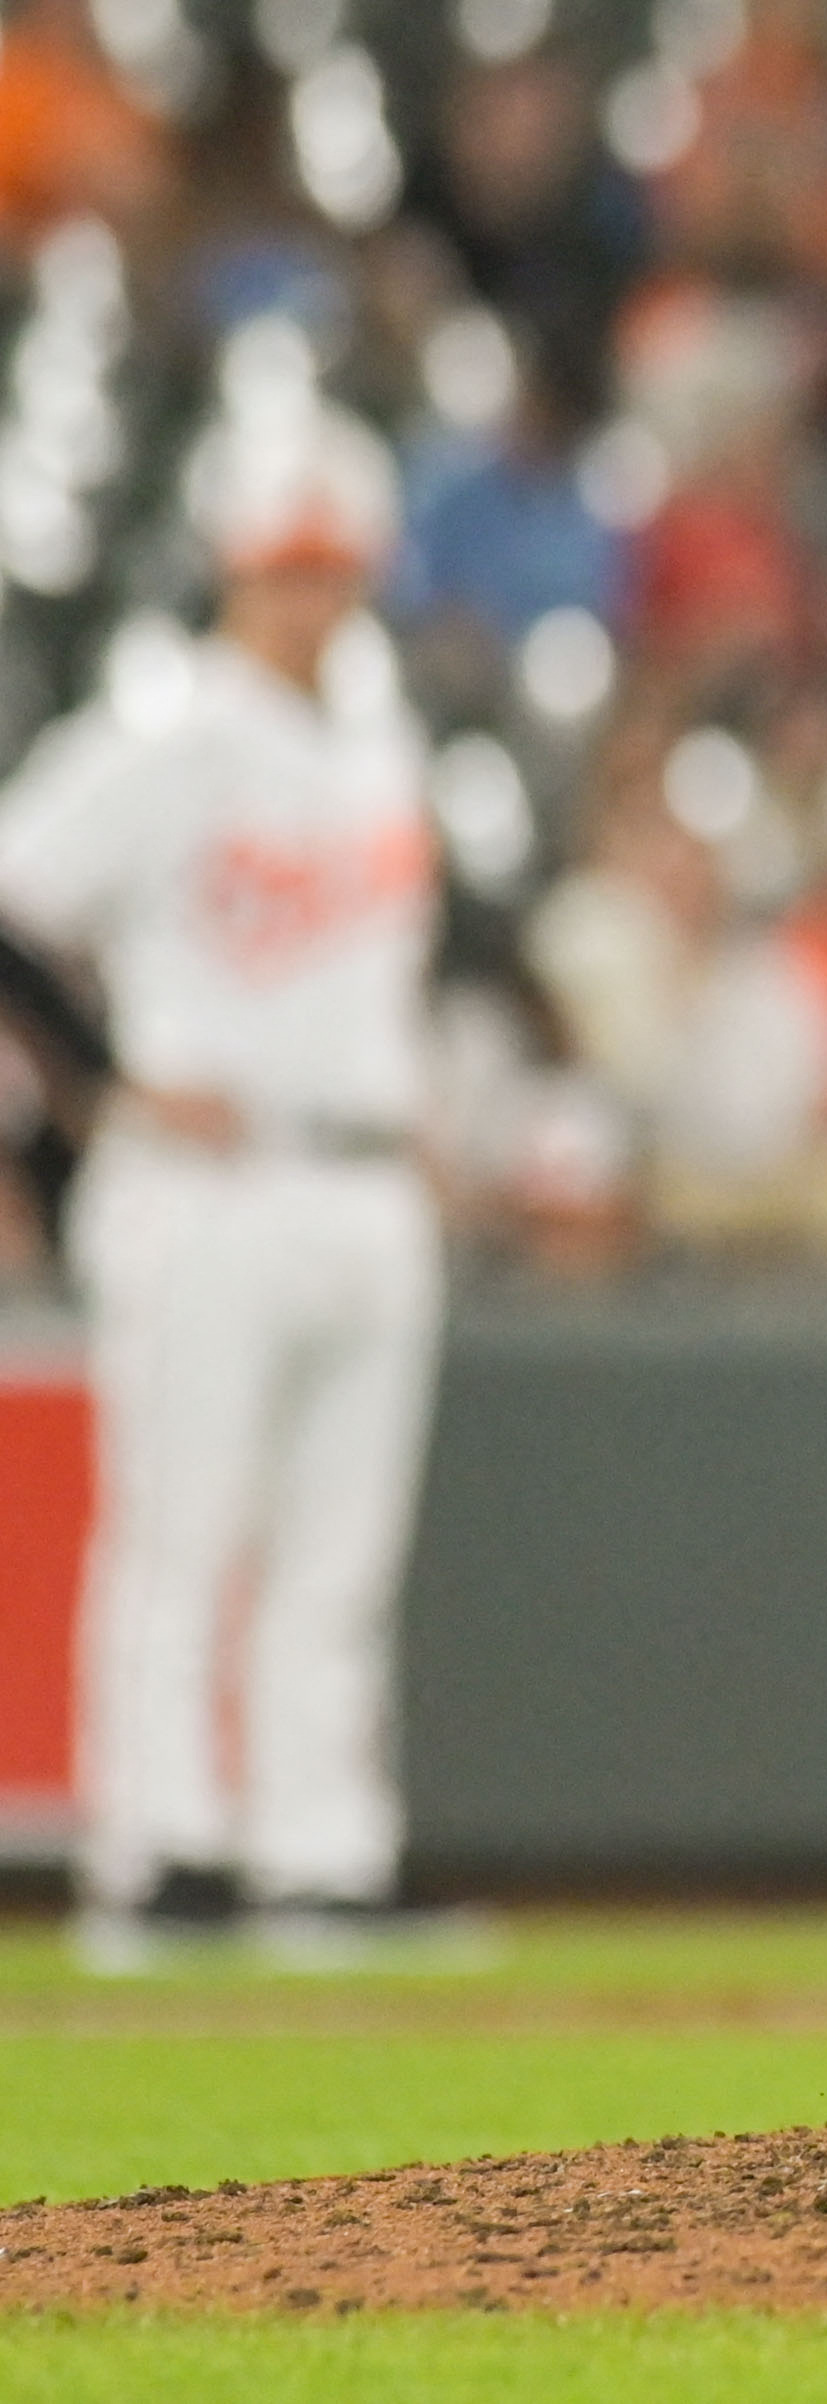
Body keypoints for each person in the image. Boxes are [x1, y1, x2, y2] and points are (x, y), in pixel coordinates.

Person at [0, 408, 448, 1969]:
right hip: (213, 1174)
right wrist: (104, 1086)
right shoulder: (171, 726)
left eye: (330, 570)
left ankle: (322, 1855)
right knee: (182, 1530)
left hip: (366, 1174)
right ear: (230, 572)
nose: (309, 600)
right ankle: (163, 1851)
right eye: (283, 571)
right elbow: (13, 898)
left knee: (341, 1543)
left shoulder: (383, 735)